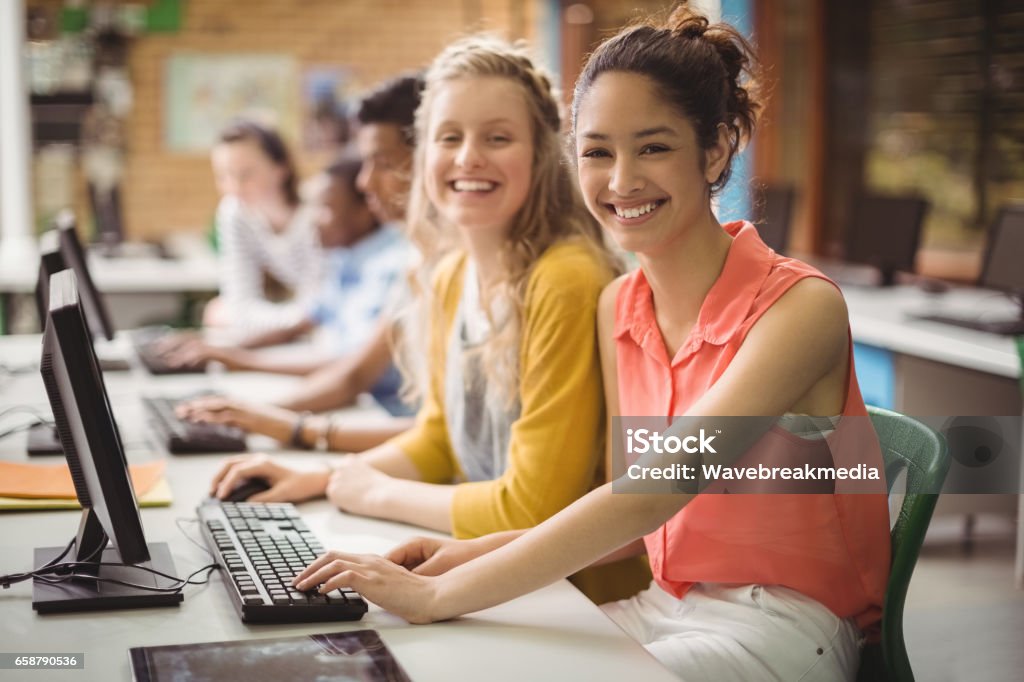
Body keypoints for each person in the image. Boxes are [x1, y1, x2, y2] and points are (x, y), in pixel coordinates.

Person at [288, 7, 892, 681]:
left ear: (717, 148)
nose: (622, 179)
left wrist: (436, 594)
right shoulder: (618, 305)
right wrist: (474, 553)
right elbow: (638, 521)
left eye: (653, 147)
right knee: (444, 662)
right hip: (663, 601)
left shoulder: (800, 308)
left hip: (784, 621)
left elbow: (655, 491)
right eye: (597, 151)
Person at [210, 36, 650, 603]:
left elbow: (531, 507)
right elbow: (441, 439)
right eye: (450, 137)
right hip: (490, 572)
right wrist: (325, 479)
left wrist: (373, 494)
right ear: (424, 157)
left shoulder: (564, 279)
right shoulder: (450, 274)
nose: (468, 156)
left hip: (574, 597)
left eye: (497, 137)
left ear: (541, 155)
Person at [178, 74, 425, 444]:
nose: (365, 182)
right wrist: (232, 359)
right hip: (371, 419)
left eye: (383, 164)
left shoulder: (397, 261)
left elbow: (352, 371)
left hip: (380, 419)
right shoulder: (364, 259)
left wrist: (269, 413)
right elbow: (311, 322)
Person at [165, 156, 410, 387]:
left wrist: (240, 361)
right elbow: (304, 321)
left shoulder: (389, 267)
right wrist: (219, 346)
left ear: (364, 211)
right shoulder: (345, 258)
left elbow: (350, 366)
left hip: (379, 409)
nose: (314, 220)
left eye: (325, 209)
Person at [204, 120, 322, 341]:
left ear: (280, 169)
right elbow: (240, 304)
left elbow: (322, 314)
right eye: (223, 176)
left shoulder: (319, 214)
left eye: (246, 174)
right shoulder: (234, 212)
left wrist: (234, 315)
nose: (234, 188)